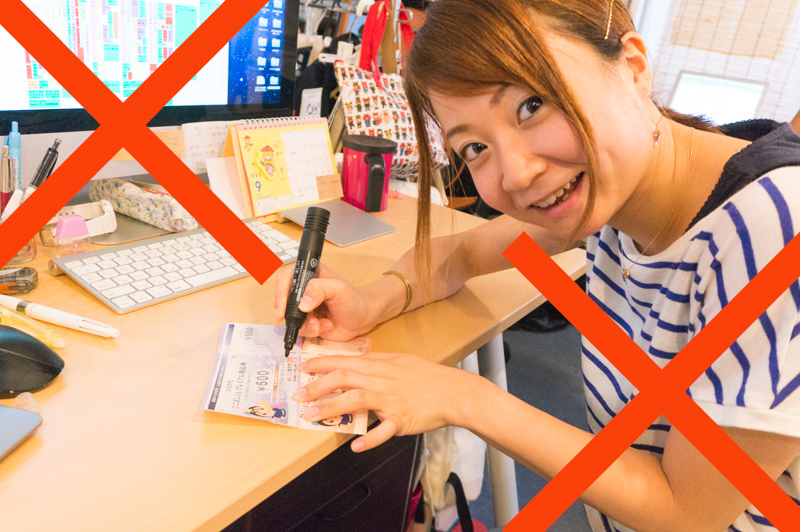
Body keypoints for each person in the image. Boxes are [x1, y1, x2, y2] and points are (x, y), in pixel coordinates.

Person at [274, 1, 800, 530]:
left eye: (532, 105)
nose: (517, 174)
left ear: (632, 67)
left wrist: (462, 396)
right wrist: (369, 303)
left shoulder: (773, 227)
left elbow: (686, 512)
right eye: (474, 147)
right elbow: (460, 255)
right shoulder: (624, 189)